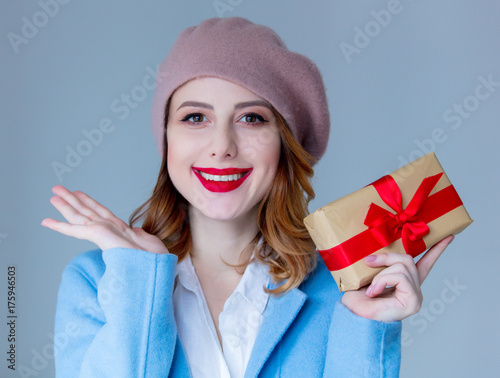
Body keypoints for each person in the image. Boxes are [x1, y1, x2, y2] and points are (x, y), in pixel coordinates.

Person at [42, 17, 453, 377]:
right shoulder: (95, 283)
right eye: (195, 117)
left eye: (251, 118)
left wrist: (367, 328)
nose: (222, 145)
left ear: (284, 144)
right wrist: (139, 279)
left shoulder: (344, 290)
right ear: (166, 138)